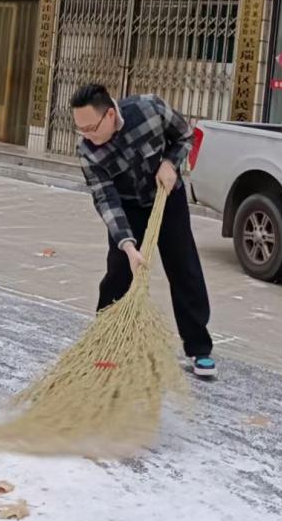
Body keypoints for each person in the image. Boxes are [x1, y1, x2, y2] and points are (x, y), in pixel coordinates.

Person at [70, 83, 216, 379]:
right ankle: (105, 342)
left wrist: (170, 163)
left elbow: (185, 135)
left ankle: (199, 348)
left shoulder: (150, 109)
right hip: (128, 206)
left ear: (110, 114)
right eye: (80, 129)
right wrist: (127, 246)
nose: (87, 136)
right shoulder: (88, 150)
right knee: (118, 273)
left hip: (167, 196)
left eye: (91, 128)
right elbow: (104, 197)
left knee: (183, 267)